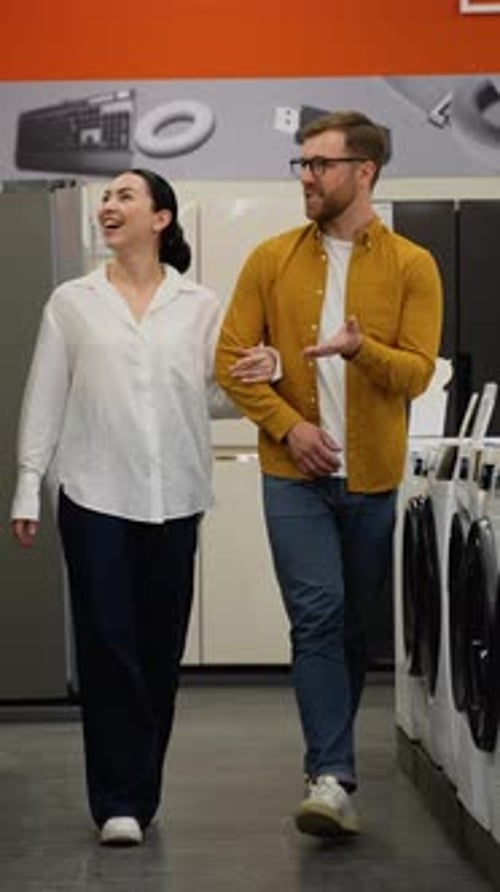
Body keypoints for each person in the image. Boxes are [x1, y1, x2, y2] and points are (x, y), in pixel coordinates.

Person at [10, 169, 278, 847]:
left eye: (125, 196)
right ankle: (118, 801)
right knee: (107, 646)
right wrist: (27, 482)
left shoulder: (200, 304)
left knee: (157, 648)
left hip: (176, 495)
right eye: (106, 198)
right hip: (94, 492)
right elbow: (44, 396)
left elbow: (212, 397)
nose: (109, 205)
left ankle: (140, 787)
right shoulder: (71, 302)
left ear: (160, 218)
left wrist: (262, 371)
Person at [215, 111, 443, 838]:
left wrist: (358, 349)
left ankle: (327, 764)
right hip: (293, 475)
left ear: (364, 172)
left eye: (319, 164)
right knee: (315, 618)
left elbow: (414, 374)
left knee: (349, 631)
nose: (306, 177)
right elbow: (231, 359)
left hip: (373, 478)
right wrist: (291, 424)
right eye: (302, 164)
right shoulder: (270, 258)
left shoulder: (413, 265)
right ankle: (332, 776)